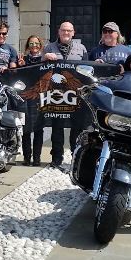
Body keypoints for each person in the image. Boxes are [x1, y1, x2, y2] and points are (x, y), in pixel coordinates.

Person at [42, 21, 87, 167]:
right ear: (59, 32)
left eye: (69, 30)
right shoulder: (49, 47)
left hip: (75, 94)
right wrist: (45, 57)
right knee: (57, 126)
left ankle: (76, 156)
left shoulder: (81, 48)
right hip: (56, 93)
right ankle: (56, 158)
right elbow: (40, 68)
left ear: (73, 33)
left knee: (77, 126)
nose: (66, 33)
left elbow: (87, 69)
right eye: (63, 30)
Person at [19, 34, 45, 166]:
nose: (34, 46)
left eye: (36, 43)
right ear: (28, 46)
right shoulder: (23, 59)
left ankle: (37, 158)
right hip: (26, 96)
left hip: (41, 97)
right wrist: (21, 66)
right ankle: (27, 157)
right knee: (26, 129)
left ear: (40, 45)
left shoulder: (44, 59)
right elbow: (18, 76)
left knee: (39, 129)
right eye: (31, 43)